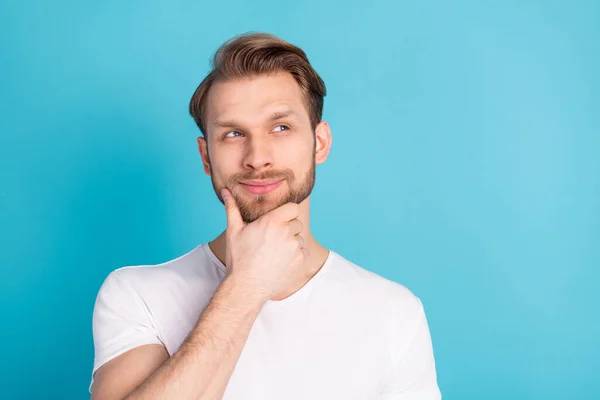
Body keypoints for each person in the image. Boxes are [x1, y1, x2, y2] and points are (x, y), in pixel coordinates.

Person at [90, 32, 442, 400]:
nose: (258, 157)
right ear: (207, 157)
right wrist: (246, 286)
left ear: (319, 143)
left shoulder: (393, 313)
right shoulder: (136, 294)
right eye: (234, 133)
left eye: (281, 128)